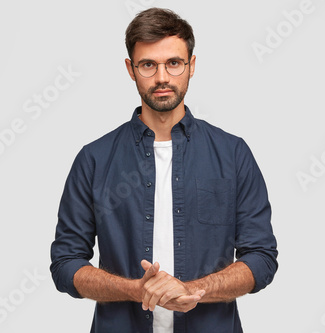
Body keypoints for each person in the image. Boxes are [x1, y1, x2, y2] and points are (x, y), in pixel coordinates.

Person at [50, 7, 278, 333]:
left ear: (191, 66)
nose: (161, 77)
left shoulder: (233, 154)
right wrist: (134, 289)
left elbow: (261, 257)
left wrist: (194, 290)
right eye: (148, 65)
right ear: (131, 69)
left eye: (173, 63)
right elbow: (65, 263)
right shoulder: (94, 159)